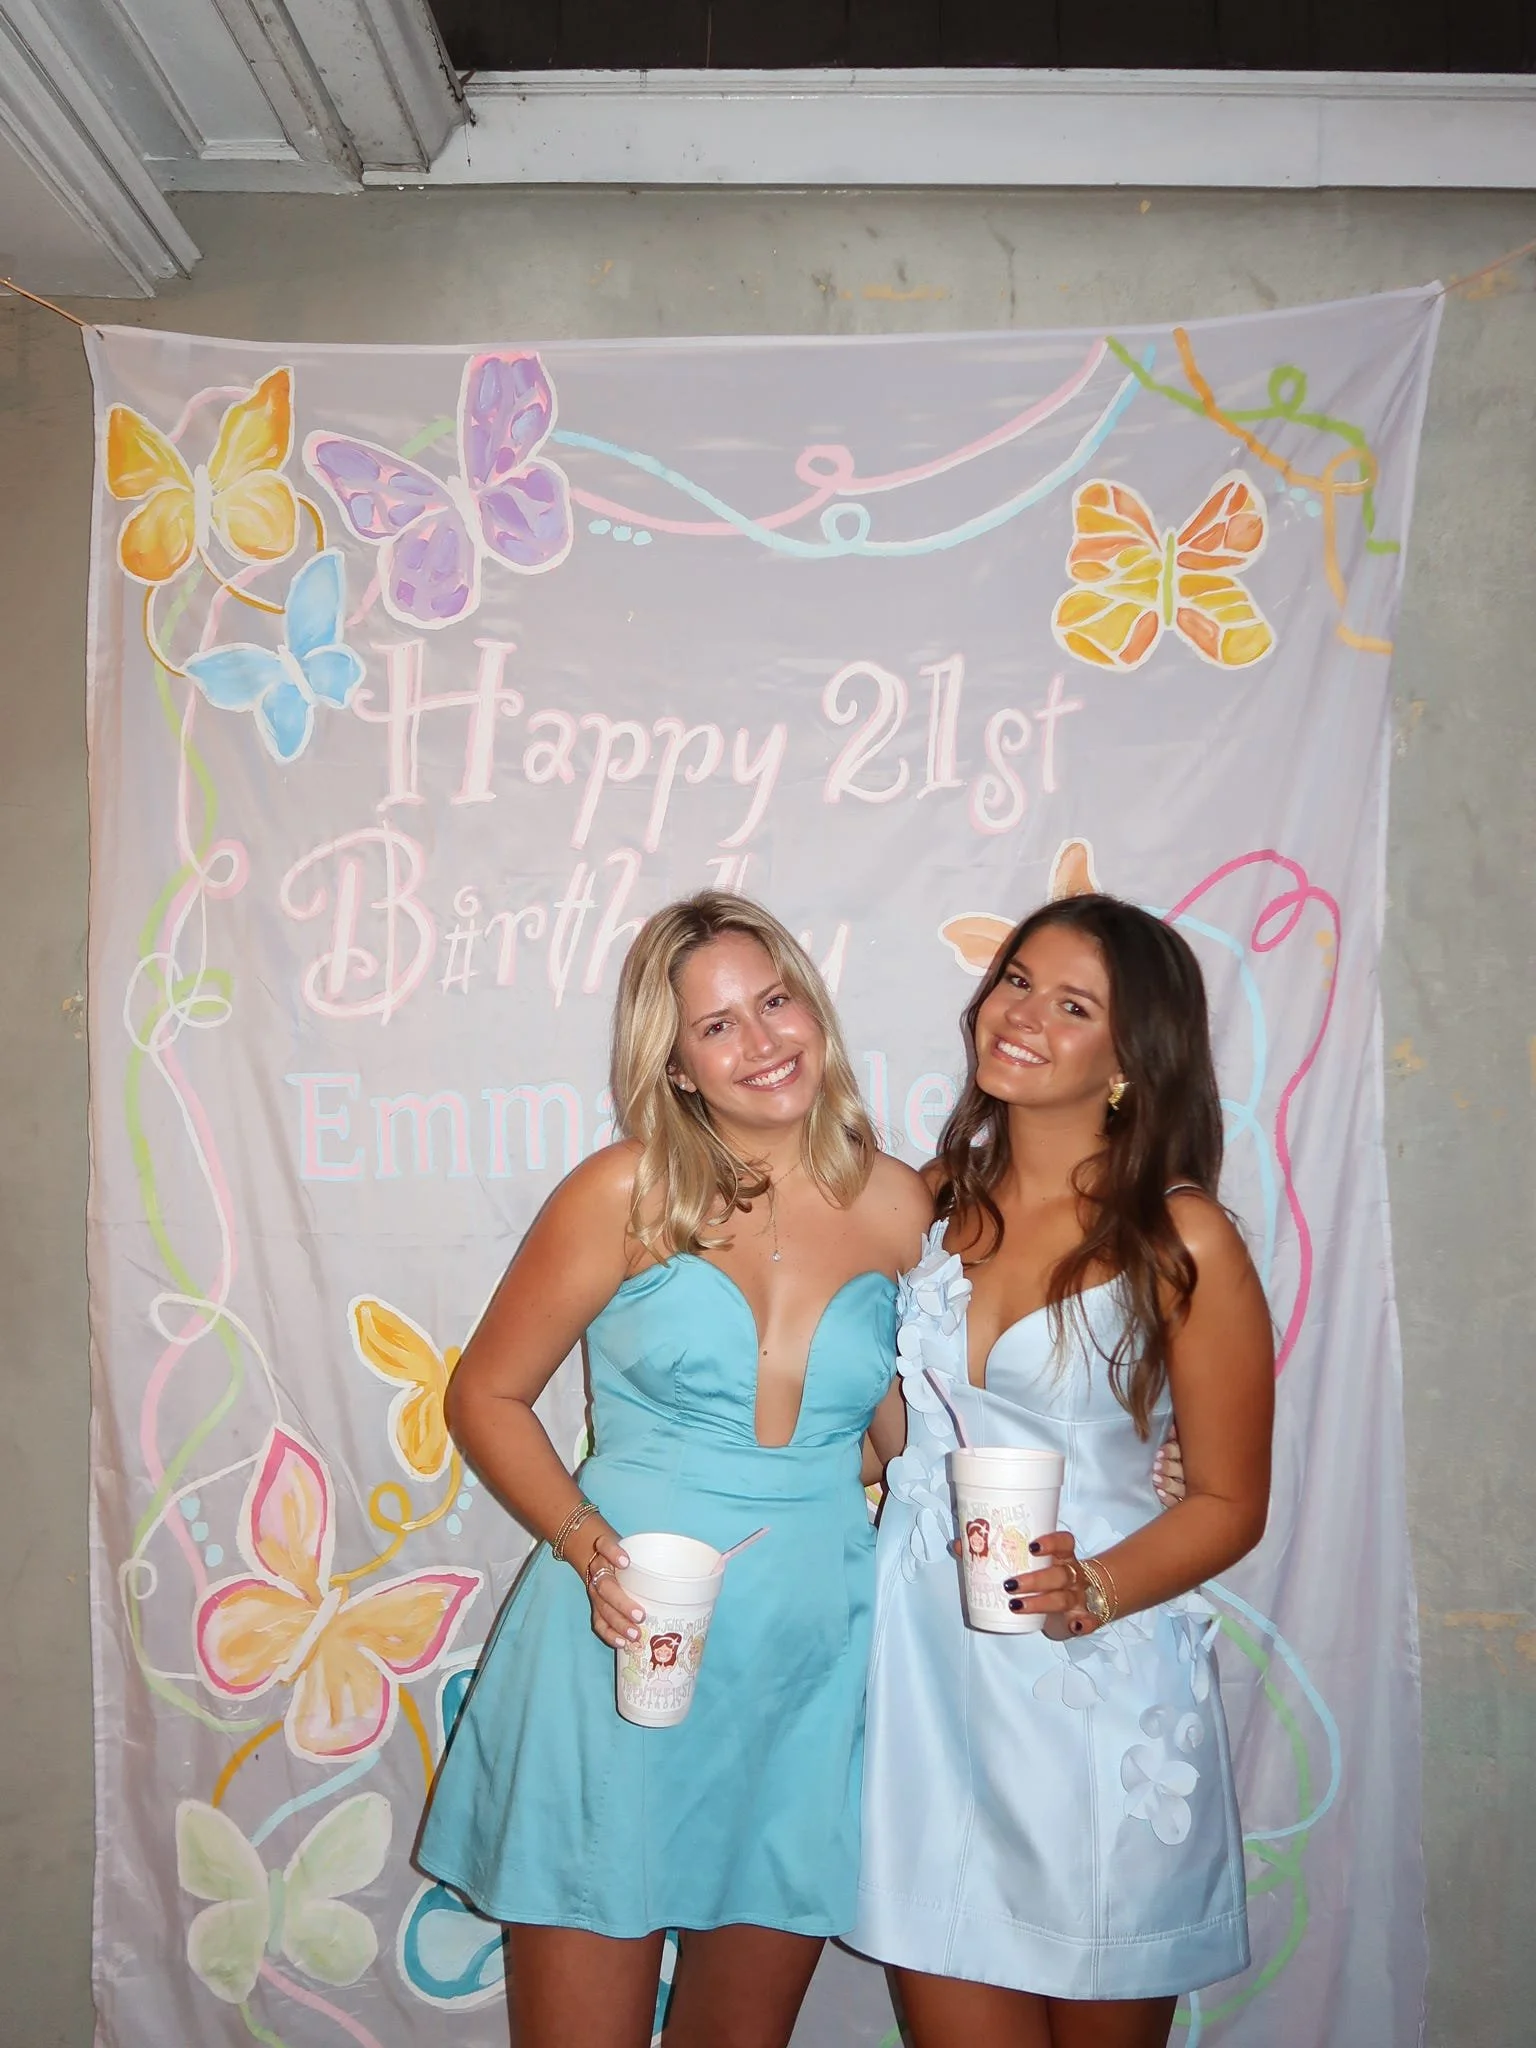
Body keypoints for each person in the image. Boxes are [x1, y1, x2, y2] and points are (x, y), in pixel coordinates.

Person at [416, 891, 929, 2048]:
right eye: (718, 1026)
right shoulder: (627, 1191)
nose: (762, 1041)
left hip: (808, 1663)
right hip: (625, 1640)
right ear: (678, 1064)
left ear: (814, 1006)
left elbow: (920, 1434)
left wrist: (1126, 1462)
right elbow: (484, 1395)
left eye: (776, 999)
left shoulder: (905, 1207)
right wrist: (590, 1548)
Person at [850, 893, 1274, 2048]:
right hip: (931, 1685)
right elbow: (892, 1429)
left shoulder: (1182, 1239)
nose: (1020, 1013)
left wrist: (1098, 1586)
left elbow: (1233, 1500)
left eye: (1072, 1003)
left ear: (1133, 1058)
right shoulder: (927, 1206)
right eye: (1016, 979)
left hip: (1097, 1693)